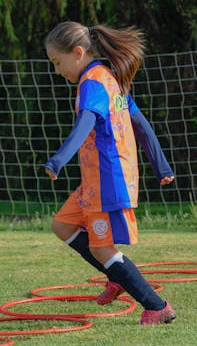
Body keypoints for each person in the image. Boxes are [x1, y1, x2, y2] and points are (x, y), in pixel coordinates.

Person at [44, 21, 176, 325]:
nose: (56, 70)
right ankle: (114, 274)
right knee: (62, 225)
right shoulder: (109, 79)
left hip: (108, 181)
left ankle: (156, 306)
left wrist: (58, 159)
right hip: (95, 182)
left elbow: (87, 121)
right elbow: (140, 124)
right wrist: (162, 165)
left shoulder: (93, 82)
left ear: (77, 53)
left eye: (57, 62)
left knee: (101, 247)